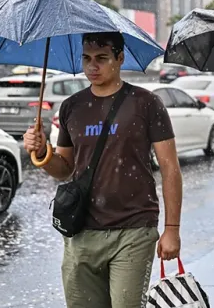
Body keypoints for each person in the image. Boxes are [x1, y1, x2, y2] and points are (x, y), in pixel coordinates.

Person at [23, 32, 183, 308]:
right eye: (86, 58)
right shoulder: (72, 106)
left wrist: (172, 229)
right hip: (81, 232)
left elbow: (170, 169)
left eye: (101, 58)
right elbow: (64, 168)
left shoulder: (146, 103)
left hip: (133, 230)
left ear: (119, 59)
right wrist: (40, 153)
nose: (92, 67)